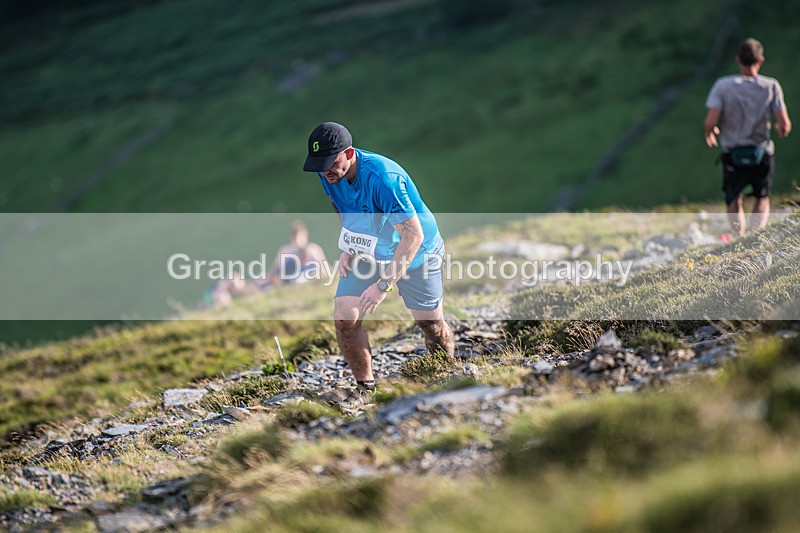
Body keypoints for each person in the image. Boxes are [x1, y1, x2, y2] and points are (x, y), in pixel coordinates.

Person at [303, 122, 454, 410]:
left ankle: (445, 379)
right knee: (344, 318)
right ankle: (366, 388)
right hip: (371, 249)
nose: (325, 172)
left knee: (430, 324)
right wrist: (348, 244)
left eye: (331, 163)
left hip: (417, 252)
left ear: (349, 153)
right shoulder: (330, 172)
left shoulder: (383, 177)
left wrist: (384, 285)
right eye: (319, 166)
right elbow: (340, 205)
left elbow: (412, 235)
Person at [704, 37, 791, 236]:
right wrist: (781, 129)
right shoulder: (771, 86)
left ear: (738, 60)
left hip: (733, 153)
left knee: (734, 197)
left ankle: (738, 236)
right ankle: (755, 235)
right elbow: (784, 124)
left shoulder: (723, 86)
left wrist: (711, 131)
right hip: (762, 152)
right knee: (762, 196)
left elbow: (710, 121)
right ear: (760, 60)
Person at [258, 220, 327, 288]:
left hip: (307, 277)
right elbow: (274, 271)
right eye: (296, 238)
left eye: (300, 238)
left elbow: (325, 269)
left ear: (306, 236)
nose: (298, 242)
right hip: (289, 279)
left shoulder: (313, 249)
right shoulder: (286, 250)